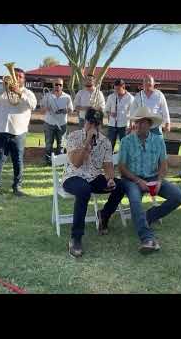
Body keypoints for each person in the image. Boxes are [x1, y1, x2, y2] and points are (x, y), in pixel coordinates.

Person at [118, 107, 181, 254]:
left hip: (153, 177)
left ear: (150, 124)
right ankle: (147, 238)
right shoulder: (126, 141)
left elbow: (163, 164)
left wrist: (160, 180)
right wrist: (137, 180)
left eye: (144, 122)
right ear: (135, 123)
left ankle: (149, 216)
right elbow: (121, 167)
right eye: (138, 122)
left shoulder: (158, 140)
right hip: (132, 179)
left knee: (179, 197)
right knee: (135, 201)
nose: (140, 125)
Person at [62, 108, 125, 258]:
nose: (94, 126)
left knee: (121, 185)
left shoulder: (105, 141)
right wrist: (86, 143)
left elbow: (108, 165)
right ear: (85, 122)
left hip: (94, 176)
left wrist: (110, 178)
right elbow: (76, 163)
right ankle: (76, 238)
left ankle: (104, 215)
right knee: (84, 190)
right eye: (91, 123)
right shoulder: (74, 136)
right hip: (73, 176)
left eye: (97, 124)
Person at [0, 68, 37, 198]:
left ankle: (17, 187)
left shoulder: (28, 93)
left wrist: (19, 93)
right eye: (15, 76)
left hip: (18, 132)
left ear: (24, 80)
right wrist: (3, 86)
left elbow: (33, 105)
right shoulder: (1, 90)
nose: (16, 78)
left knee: (18, 161)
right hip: (0, 131)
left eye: (20, 77)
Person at [40, 78, 73, 165]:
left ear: (62, 86)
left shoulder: (67, 97)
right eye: (56, 84)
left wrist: (64, 110)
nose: (58, 86)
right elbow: (41, 110)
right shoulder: (47, 96)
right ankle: (48, 161)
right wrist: (46, 108)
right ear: (53, 85)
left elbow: (71, 110)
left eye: (60, 85)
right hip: (49, 123)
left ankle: (60, 162)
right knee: (48, 143)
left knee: (61, 144)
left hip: (62, 124)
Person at [104, 79, 134, 151]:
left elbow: (133, 114)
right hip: (112, 125)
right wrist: (111, 113)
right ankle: (109, 161)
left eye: (118, 89)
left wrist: (130, 126)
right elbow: (106, 110)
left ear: (123, 87)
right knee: (110, 146)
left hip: (124, 126)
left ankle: (123, 161)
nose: (116, 91)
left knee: (124, 146)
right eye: (115, 89)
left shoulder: (130, 98)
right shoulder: (111, 97)